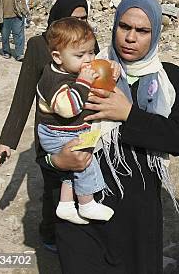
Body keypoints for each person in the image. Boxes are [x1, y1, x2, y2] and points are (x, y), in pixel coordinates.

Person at [44, 0, 179, 273]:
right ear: (114, 27)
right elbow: (48, 134)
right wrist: (55, 162)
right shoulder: (83, 71)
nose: (130, 37)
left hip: (137, 217)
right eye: (124, 27)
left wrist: (128, 114)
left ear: (156, 34)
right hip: (84, 212)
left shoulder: (170, 79)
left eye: (142, 31)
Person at [0, 0, 92, 253]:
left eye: (84, 19)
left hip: (79, 129)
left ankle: (79, 236)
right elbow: (23, 94)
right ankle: (50, 235)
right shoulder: (39, 46)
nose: (81, 25)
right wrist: (7, 141)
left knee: (82, 181)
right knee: (54, 187)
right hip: (50, 131)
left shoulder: (85, 43)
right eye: (75, 18)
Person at [37, 18, 115, 225]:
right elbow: (67, 108)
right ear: (57, 57)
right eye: (80, 55)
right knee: (84, 161)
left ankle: (65, 204)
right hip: (58, 133)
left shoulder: (71, 70)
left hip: (63, 132)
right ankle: (87, 203)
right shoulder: (53, 79)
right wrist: (84, 82)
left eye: (91, 52)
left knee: (71, 170)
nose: (88, 60)